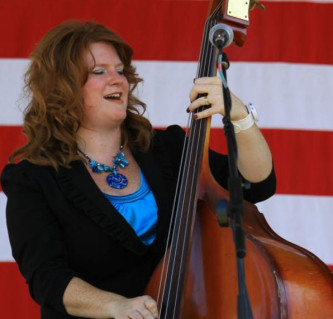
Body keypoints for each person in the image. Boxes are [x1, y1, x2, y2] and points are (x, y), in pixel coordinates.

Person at [1, 20, 276, 319]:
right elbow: (47, 278)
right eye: (99, 72)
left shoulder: (168, 148)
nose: (117, 79)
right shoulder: (33, 178)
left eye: (120, 70)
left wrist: (240, 117)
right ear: (61, 88)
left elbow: (255, 184)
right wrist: (115, 306)